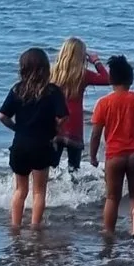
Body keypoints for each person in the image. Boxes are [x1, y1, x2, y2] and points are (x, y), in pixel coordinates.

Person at [0, 48, 68, 231]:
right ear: (45, 68)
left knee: (20, 190)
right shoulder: (52, 91)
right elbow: (63, 117)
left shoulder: (17, 89)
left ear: (23, 68)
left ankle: (15, 226)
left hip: (20, 145)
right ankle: (35, 227)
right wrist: (56, 128)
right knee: (39, 191)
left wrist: (17, 128)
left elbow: (2, 116)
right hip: (42, 145)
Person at [86, 54, 134, 238]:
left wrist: (92, 155)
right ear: (131, 79)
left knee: (112, 198)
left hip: (114, 155)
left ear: (110, 79)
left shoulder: (104, 103)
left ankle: (109, 231)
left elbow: (95, 134)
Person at [54, 37, 110, 178]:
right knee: (74, 169)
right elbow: (107, 79)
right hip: (74, 123)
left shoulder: (53, 73)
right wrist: (96, 61)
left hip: (56, 121)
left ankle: (49, 194)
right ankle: (75, 196)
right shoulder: (82, 74)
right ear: (82, 56)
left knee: (52, 164)